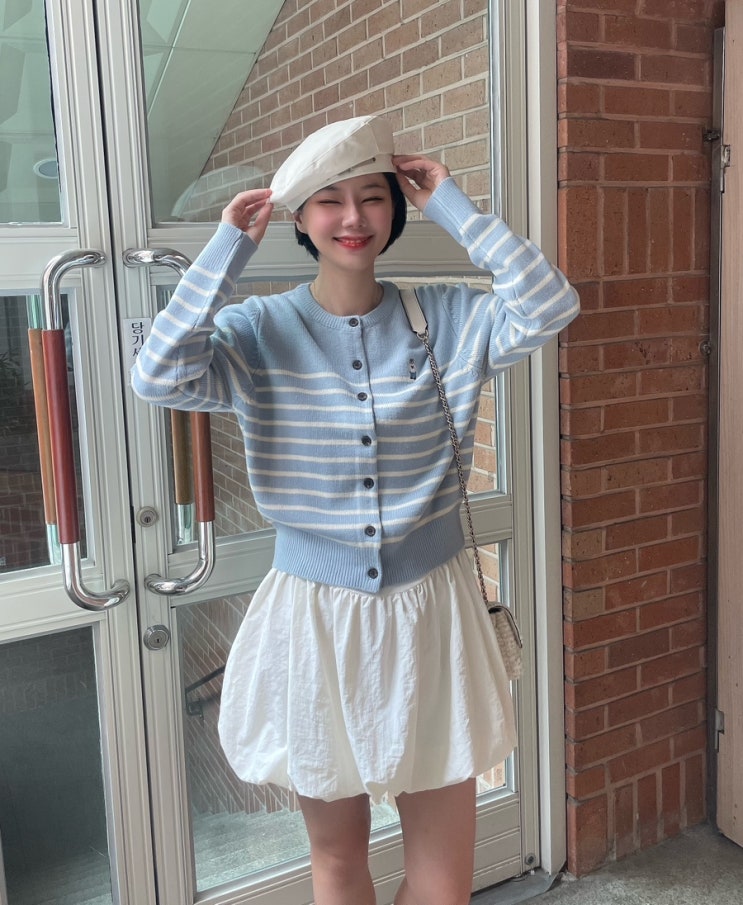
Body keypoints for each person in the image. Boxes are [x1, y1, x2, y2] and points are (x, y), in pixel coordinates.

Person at [132, 115, 579, 905]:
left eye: (372, 196)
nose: (353, 217)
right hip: (315, 622)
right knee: (337, 858)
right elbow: (158, 374)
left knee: (443, 874)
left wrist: (453, 208)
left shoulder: (449, 317)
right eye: (329, 200)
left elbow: (549, 304)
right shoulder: (257, 330)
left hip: (432, 612)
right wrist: (226, 249)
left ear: (395, 209)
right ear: (300, 218)